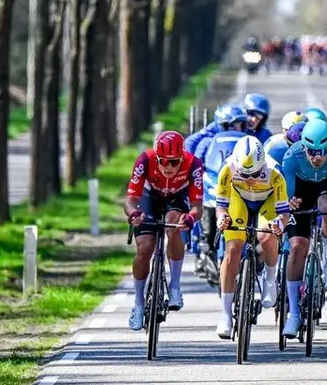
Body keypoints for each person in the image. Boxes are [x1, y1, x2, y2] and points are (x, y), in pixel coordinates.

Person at [214, 136, 291, 338]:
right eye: (244, 173)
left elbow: (284, 213)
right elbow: (221, 207)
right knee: (232, 250)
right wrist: (222, 219)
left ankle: (270, 279)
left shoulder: (275, 173)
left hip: (267, 201)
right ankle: (225, 315)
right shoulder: (227, 169)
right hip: (238, 200)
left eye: (255, 174)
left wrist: (279, 225)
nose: (249, 179)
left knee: (267, 237)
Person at [125, 131, 203, 330]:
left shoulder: (193, 164)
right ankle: (139, 303)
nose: (169, 167)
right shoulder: (144, 160)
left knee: (174, 225)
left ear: (182, 157)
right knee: (145, 249)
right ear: (156, 156)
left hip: (177, 198)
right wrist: (134, 214)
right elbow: (131, 200)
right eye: (164, 161)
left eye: (175, 162)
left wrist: (190, 217)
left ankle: (175, 286)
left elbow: (197, 206)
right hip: (149, 197)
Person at [278, 120, 327, 338]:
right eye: (311, 151)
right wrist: (289, 203)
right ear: (303, 147)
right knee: (298, 247)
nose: (317, 157)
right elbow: (287, 191)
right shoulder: (292, 156)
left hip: (325, 188)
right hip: (301, 190)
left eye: (322, 151)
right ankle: (294, 314)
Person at [194, 106, 250, 273]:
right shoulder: (207, 141)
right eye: (231, 125)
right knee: (205, 225)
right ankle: (203, 250)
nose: (236, 129)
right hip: (213, 186)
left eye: (239, 125)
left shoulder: (248, 141)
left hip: (240, 187)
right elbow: (196, 164)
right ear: (221, 125)